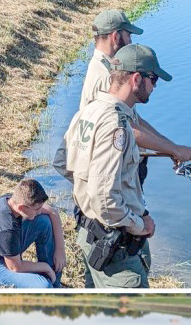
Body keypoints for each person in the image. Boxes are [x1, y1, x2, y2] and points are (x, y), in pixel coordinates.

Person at [53, 44, 172, 288]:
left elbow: (62, 164)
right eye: (153, 79)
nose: (155, 86)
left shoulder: (88, 111)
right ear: (136, 78)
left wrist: (87, 194)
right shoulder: (116, 125)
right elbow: (105, 198)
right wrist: (139, 225)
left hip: (89, 234)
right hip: (115, 245)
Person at [80, 10, 191, 183]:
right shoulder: (105, 75)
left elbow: (133, 119)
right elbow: (125, 127)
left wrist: (171, 147)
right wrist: (173, 149)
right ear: (116, 37)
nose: (131, 41)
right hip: (113, 174)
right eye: (129, 35)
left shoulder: (107, 67)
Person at [0, 178, 66, 289]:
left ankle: (55, 284)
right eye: (37, 209)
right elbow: (15, 267)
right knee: (43, 286)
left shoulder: (13, 200)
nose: (39, 211)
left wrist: (60, 250)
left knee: (44, 221)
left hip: (3, 248)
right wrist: (45, 267)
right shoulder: (6, 227)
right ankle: (50, 283)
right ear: (21, 208)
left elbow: (52, 211)